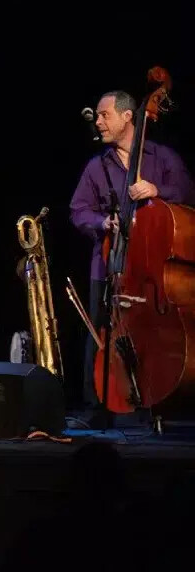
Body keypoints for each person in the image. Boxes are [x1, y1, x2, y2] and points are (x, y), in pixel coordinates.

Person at [70, 90, 195, 410]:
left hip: (154, 270)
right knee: (101, 335)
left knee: (155, 331)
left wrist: (158, 190)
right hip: (110, 265)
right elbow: (78, 210)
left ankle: (153, 398)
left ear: (128, 117)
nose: (98, 122)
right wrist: (103, 222)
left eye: (104, 115)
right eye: (97, 116)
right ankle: (96, 404)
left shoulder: (163, 158)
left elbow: (186, 193)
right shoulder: (97, 166)